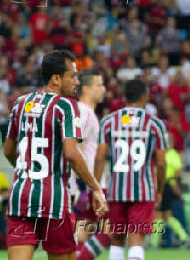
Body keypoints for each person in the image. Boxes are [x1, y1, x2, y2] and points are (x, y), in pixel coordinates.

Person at [3, 50, 107, 260]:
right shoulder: (65, 107)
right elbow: (71, 154)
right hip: (53, 200)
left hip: (20, 196)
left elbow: (8, 150)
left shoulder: (21, 103)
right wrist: (96, 187)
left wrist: (29, 171)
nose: (77, 81)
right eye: (73, 76)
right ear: (56, 79)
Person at [94, 79, 167, 260]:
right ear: (144, 96)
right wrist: (159, 190)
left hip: (116, 190)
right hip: (144, 190)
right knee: (136, 238)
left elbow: (99, 158)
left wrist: (96, 189)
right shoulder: (154, 124)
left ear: (125, 97)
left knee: (117, 239)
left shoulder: (108, 121)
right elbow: (161, 163)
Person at [69, 69, 110, 260]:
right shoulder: (83, 113)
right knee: (114, 226)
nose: (104, 88)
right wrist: (85, 187)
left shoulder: (84, 112)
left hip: (86, 184)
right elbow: (75, 148)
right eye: (99, 84)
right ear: (86, 88)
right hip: (89, 184)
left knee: (82, 232)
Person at [151, 135, 190, 249]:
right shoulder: (163, 154)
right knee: (164, 216)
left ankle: (154, 243)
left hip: (165, 187)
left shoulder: (171, 154)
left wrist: (169, 180)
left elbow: (178, 172)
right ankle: (184, 238)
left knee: (161, 216)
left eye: (166, 142)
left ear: (171, 143)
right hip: (164, 186)